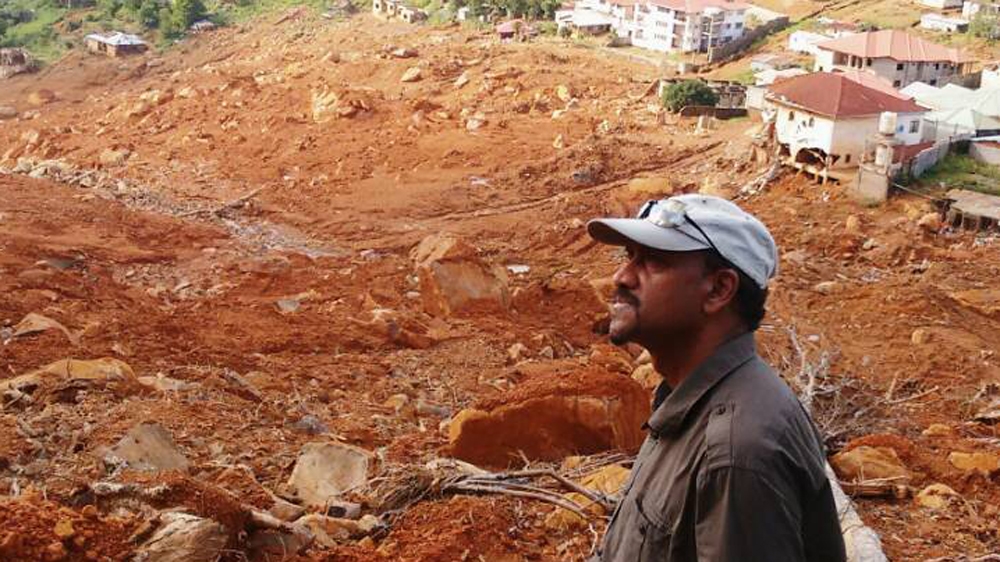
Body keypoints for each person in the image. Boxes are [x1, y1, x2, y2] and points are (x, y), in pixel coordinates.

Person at [586, 194, 846, 562]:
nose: (622, 276)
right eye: (629, 257)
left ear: (719, 290)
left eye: (654, 261)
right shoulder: (691, 400)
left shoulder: (734, 452)